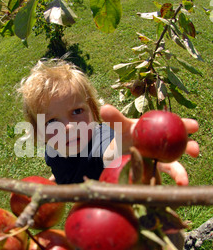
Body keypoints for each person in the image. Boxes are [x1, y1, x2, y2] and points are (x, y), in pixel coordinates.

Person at [18, 59, 199, 186]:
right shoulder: (52, 150)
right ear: (39, 132)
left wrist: (135, 148)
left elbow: (110, 152)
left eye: (77, 111)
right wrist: (55, 181)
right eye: (51, 122)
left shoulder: (101, 141)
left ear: (93, 113)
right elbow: (60, 169)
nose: (69, 127)